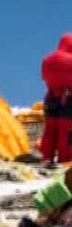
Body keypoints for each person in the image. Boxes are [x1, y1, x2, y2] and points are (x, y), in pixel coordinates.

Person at [41, 35, 72, 164]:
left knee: (50, 130)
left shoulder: (48, 59)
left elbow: (44, 77)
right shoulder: (70, 60)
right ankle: (64, 160)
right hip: (69, 98)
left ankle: (46, 157)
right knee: (67, 130)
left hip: (52, 97)